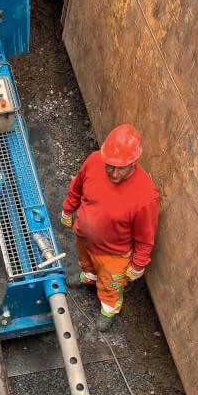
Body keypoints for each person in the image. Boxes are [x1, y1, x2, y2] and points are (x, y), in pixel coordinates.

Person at [61, 123, 159, 332]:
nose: (113, 173)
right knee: (86, 262)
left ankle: (109, 308)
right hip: (84, 238)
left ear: (134, 162)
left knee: (111, 286)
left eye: (120, 168)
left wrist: (138, 264)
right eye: (110, 166)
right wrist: (68, 210)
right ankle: (90, 276)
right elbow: (77, 187)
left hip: (114, 255)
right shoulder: (94, 161)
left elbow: (145, 237)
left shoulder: (145, 196)